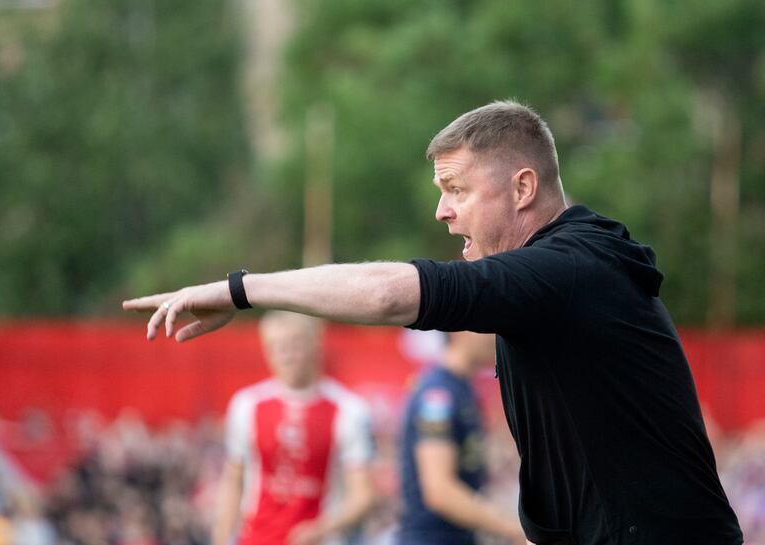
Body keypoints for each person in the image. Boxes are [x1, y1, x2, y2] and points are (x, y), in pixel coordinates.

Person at [124, 100, 743, 545]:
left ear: (523, 187)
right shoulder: (563, 276)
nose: (442, 211)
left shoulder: (568, 268)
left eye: (455, 188)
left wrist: (240, 290)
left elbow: (393, 294)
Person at [211, 311, 375, 545]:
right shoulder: (247, 404)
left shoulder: (348, 409)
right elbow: (232, 482)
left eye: (293, 345)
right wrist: (221, 538)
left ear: (315, 344)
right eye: (275, 347)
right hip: (256, 538)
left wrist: (323, 528)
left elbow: (364, 496)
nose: (285, 356)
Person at [398, 330, 524, 545]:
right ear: (458, 330)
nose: (494, 336)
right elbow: (440, 491)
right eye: (487, 327)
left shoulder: (462, 389)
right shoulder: (438, 394)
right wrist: (517, 531)